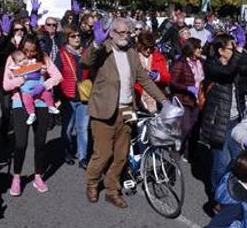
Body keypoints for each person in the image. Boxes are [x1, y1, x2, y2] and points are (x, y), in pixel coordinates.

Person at [83, 18, 167, 208]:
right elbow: (86, 62)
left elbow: (144, 79)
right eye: (120, 32)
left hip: (127, 109)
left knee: (121, 155)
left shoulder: (131, 53)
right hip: (104, 111)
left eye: (127, 33)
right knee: (102, 154)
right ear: (111, 33)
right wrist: (96, 43)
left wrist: (164, 101)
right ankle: (92, 183)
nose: (125, 36)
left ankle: (112, 189)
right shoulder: (102, 49)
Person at [2, 34, 63, 196]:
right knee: (20, 143)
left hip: (41, 103)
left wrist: (44, 85)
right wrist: (20, 80)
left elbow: (58, 76)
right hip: (20, 103)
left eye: (32, 51)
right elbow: (6, 85)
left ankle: (38, 175)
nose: (28, 54)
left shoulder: (43, 58)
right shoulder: (13, 58)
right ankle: (17, 177)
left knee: (40, 143)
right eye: (26, 50)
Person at [201, 33, 247, 191]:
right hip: (219, 121)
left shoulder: (235, 65)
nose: (235, 50)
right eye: (231, 47)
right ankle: (217, 196)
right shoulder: (211, 65)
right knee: (221, 163)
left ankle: (232, 190)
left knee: (238, 159)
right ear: (221, 51)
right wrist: (240, 51)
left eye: (235, 47)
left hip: (235, 119)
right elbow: (226, 73)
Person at [59, 25, 90, 168]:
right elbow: (57, 76)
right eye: (73, 36)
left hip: (84, 96)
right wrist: (57, 97)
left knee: (82, 128)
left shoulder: (85, 53)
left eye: (78, 36)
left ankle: (83, 157)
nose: (77, 38)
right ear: (67, 39)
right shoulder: (62, 54)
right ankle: (67, 151)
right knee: (68, 128)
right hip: (68, 96)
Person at [168, 38, 204, 157]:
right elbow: (172, 82)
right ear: (192, 49)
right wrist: (187, 88)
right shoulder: (181, 63)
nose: (200, 49)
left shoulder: (200, 62)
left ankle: (189, 153)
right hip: (184, 100)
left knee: (194, 127)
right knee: (186, 126)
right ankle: (176, 149)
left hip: (198, 99)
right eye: (198, 47)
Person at [7, 49, 60, 126]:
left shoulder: (33, 64)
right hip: (27, 90)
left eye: (24, 58)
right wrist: (24, 77)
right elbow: (14, 78)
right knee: (26, 100)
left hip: (39, 86)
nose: (23, 61)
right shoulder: (17, 70)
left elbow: (41, 72)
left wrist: (43, 69)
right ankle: (31, 114)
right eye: (20, 61)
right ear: (16, 63)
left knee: (47, 94)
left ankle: (51, 106)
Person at [134, 31, 171, 113]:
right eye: (145, 47)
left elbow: (167, 78)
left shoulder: (158, 57)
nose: (148, 50)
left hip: (155, 97)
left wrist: (158, 77)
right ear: (140, 45)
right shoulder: (133, 56)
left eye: (150, 48)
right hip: (137, 97)